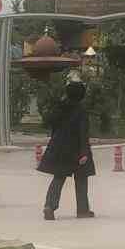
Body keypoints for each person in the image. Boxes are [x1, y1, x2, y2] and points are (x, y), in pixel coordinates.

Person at [39, 80, 97, 221]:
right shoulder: (81, 111)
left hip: (59, 147)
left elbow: (49, 123)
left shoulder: (60, 107)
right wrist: (84, 152)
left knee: (58, 177)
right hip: (76, 148)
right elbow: (83, 132)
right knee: (81, 178)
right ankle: (82, 210)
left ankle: (49, 206)